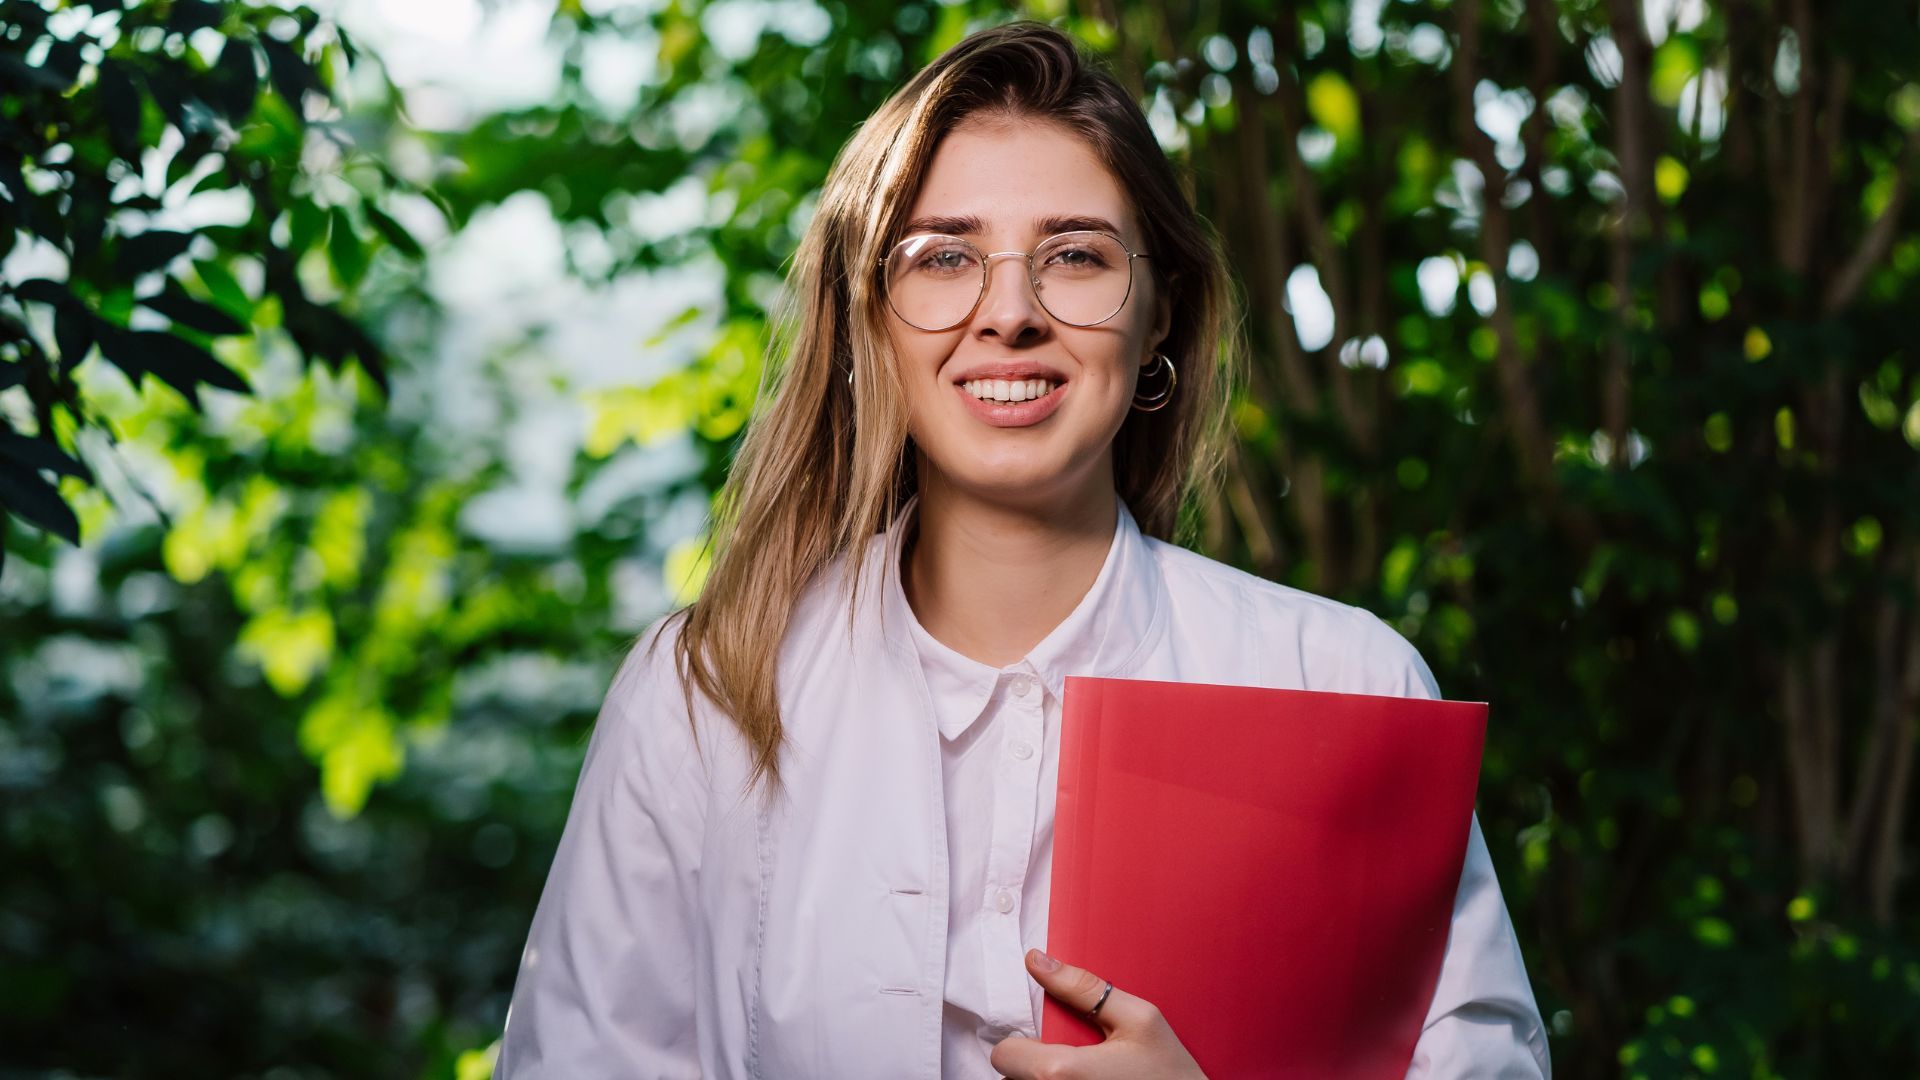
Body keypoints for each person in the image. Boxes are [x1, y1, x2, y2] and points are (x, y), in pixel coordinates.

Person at [494, 20, 1549, 1080]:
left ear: (1157, 315)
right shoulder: (703, 694)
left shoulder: (1349, 687)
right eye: (944, 256)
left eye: (1076, 257)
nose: (1009, 314)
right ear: (869, 315)